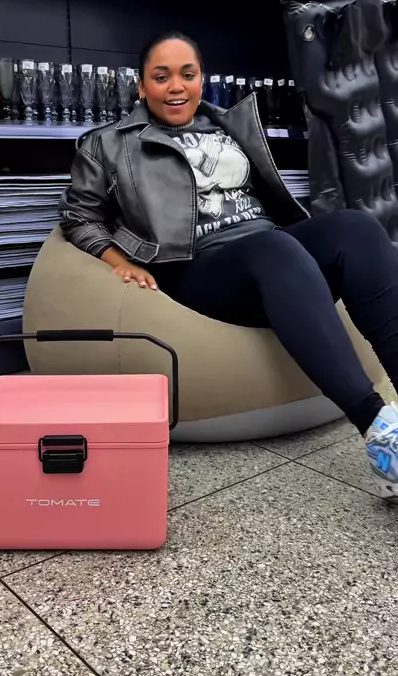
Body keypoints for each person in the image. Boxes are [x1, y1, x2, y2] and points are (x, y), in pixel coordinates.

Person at [60, 31, 398, 499]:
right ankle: (380, 432)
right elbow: (78, 218)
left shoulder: (228, 124)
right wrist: (119, 261)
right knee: (273, 249)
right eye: (161, 76)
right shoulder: (108, 144)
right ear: (141, 86)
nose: (176, 87)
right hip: (199, 266)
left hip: (272, 251)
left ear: (202, 80)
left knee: (357, 229)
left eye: (187, 74)